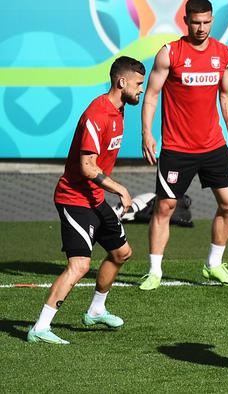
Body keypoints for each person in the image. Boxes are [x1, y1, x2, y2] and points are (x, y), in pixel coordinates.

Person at [27, 56, 145, 344]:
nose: (141, 90)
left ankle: (96, 309)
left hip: (93, 198)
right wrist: (120, 189)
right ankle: (40, 328)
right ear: (122, 82)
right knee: (79, 265)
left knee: (121, 253)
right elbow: (87, 167)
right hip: (73, 198)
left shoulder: (119, 110)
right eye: (138, 84)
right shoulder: (97, 114)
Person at [139, 0, 228, 290]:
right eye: (196, 22)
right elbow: (152, 95)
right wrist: (147, 133)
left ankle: (213, 264)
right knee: (165, 207)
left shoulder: (223, 54)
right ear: (186, 22)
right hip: (176, 148)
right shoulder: (169, 53)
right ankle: (155, 271)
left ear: (212, 20)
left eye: (207, 22)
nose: (201, 28)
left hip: (214, 145)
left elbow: (226, 94)